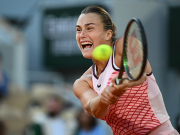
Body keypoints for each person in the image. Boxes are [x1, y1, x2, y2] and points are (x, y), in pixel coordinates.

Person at [73, 5, 179, 135]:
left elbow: (140, 75)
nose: (82, 35)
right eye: (78, 30)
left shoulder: (124, 45)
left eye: (89, 28)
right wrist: (104, 98)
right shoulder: (83, 82)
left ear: (108, 34)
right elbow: (94, 109)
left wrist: (125, 83)